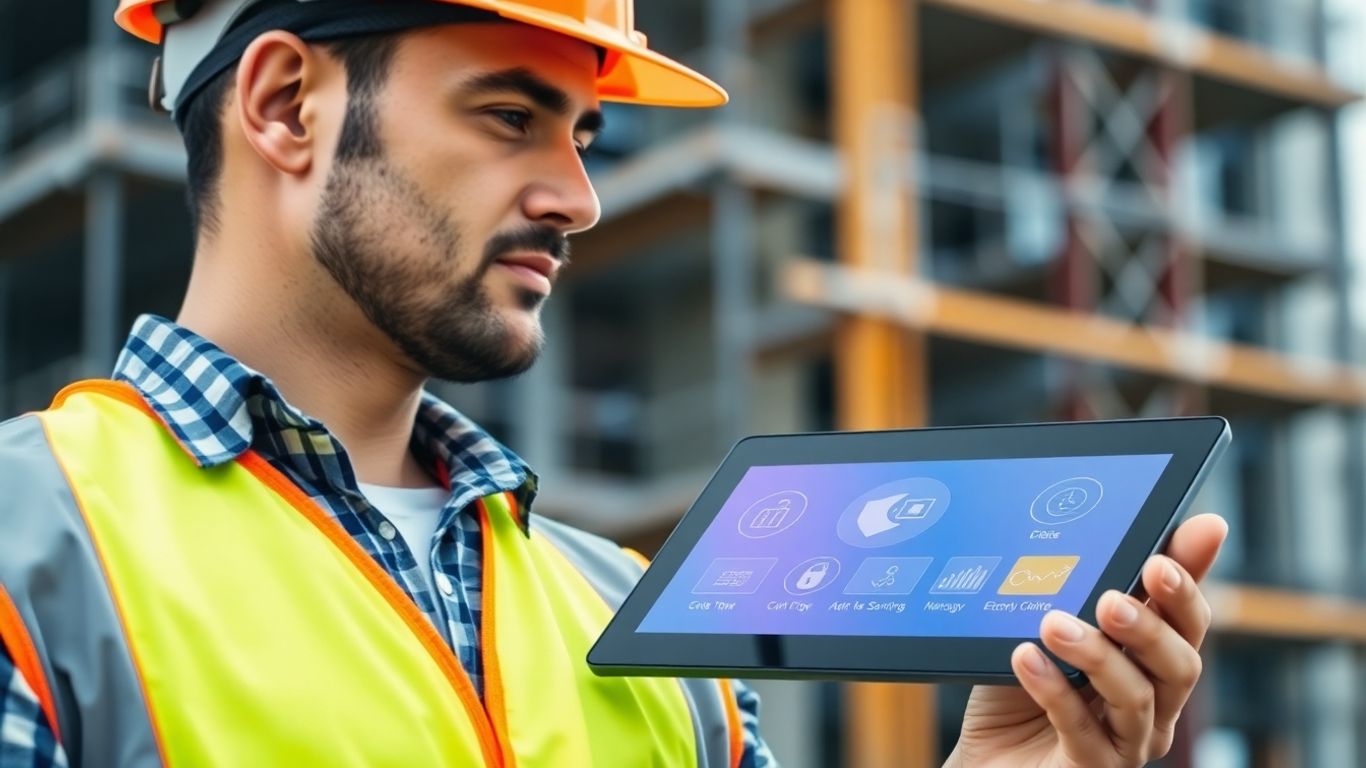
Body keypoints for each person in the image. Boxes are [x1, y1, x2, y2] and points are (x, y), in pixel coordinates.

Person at [0, 1, 1228, 765]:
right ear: (282, 105)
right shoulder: (32, 560)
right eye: (508, 116)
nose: (575, 199)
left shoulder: (640, 625)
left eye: (584, 137)